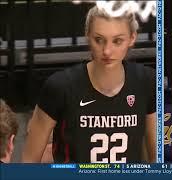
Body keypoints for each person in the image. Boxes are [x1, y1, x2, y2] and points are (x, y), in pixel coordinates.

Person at [22, 2, 156, 163]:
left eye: (117, 41)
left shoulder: (146, 82)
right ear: (87, 35)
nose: (107, 51)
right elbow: (29, 161)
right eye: (99, 39)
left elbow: (155, 157)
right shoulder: (60, 86)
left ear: (132, 38)